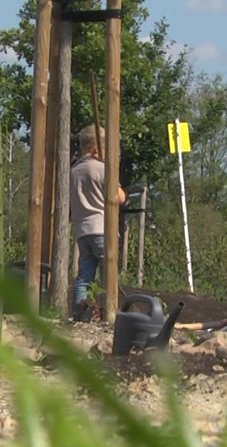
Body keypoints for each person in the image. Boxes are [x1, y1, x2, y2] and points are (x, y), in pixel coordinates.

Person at [70, 124, 126, 322]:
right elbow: (120, 198)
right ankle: (109, 313)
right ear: (98, 149)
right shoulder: (102, 169)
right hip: (102, 229)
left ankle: (79, 311)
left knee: (84, 275)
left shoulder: (74, 170)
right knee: (108, 274)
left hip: (82, 231)